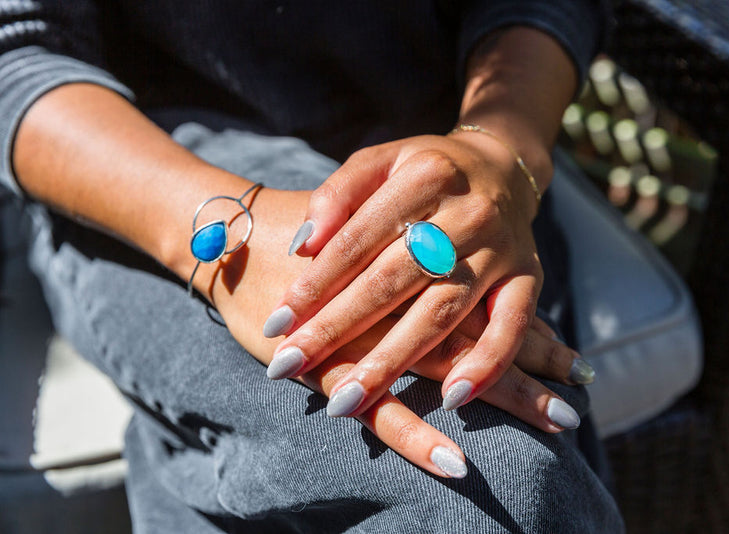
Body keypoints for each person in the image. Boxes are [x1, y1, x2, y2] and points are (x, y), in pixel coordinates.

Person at [0, 1, 624, 532]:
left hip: (451, 174)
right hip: (152, 176)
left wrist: (499, 148)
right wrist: (234, 232)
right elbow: (17, 58)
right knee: (503, 476)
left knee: (520, 438)